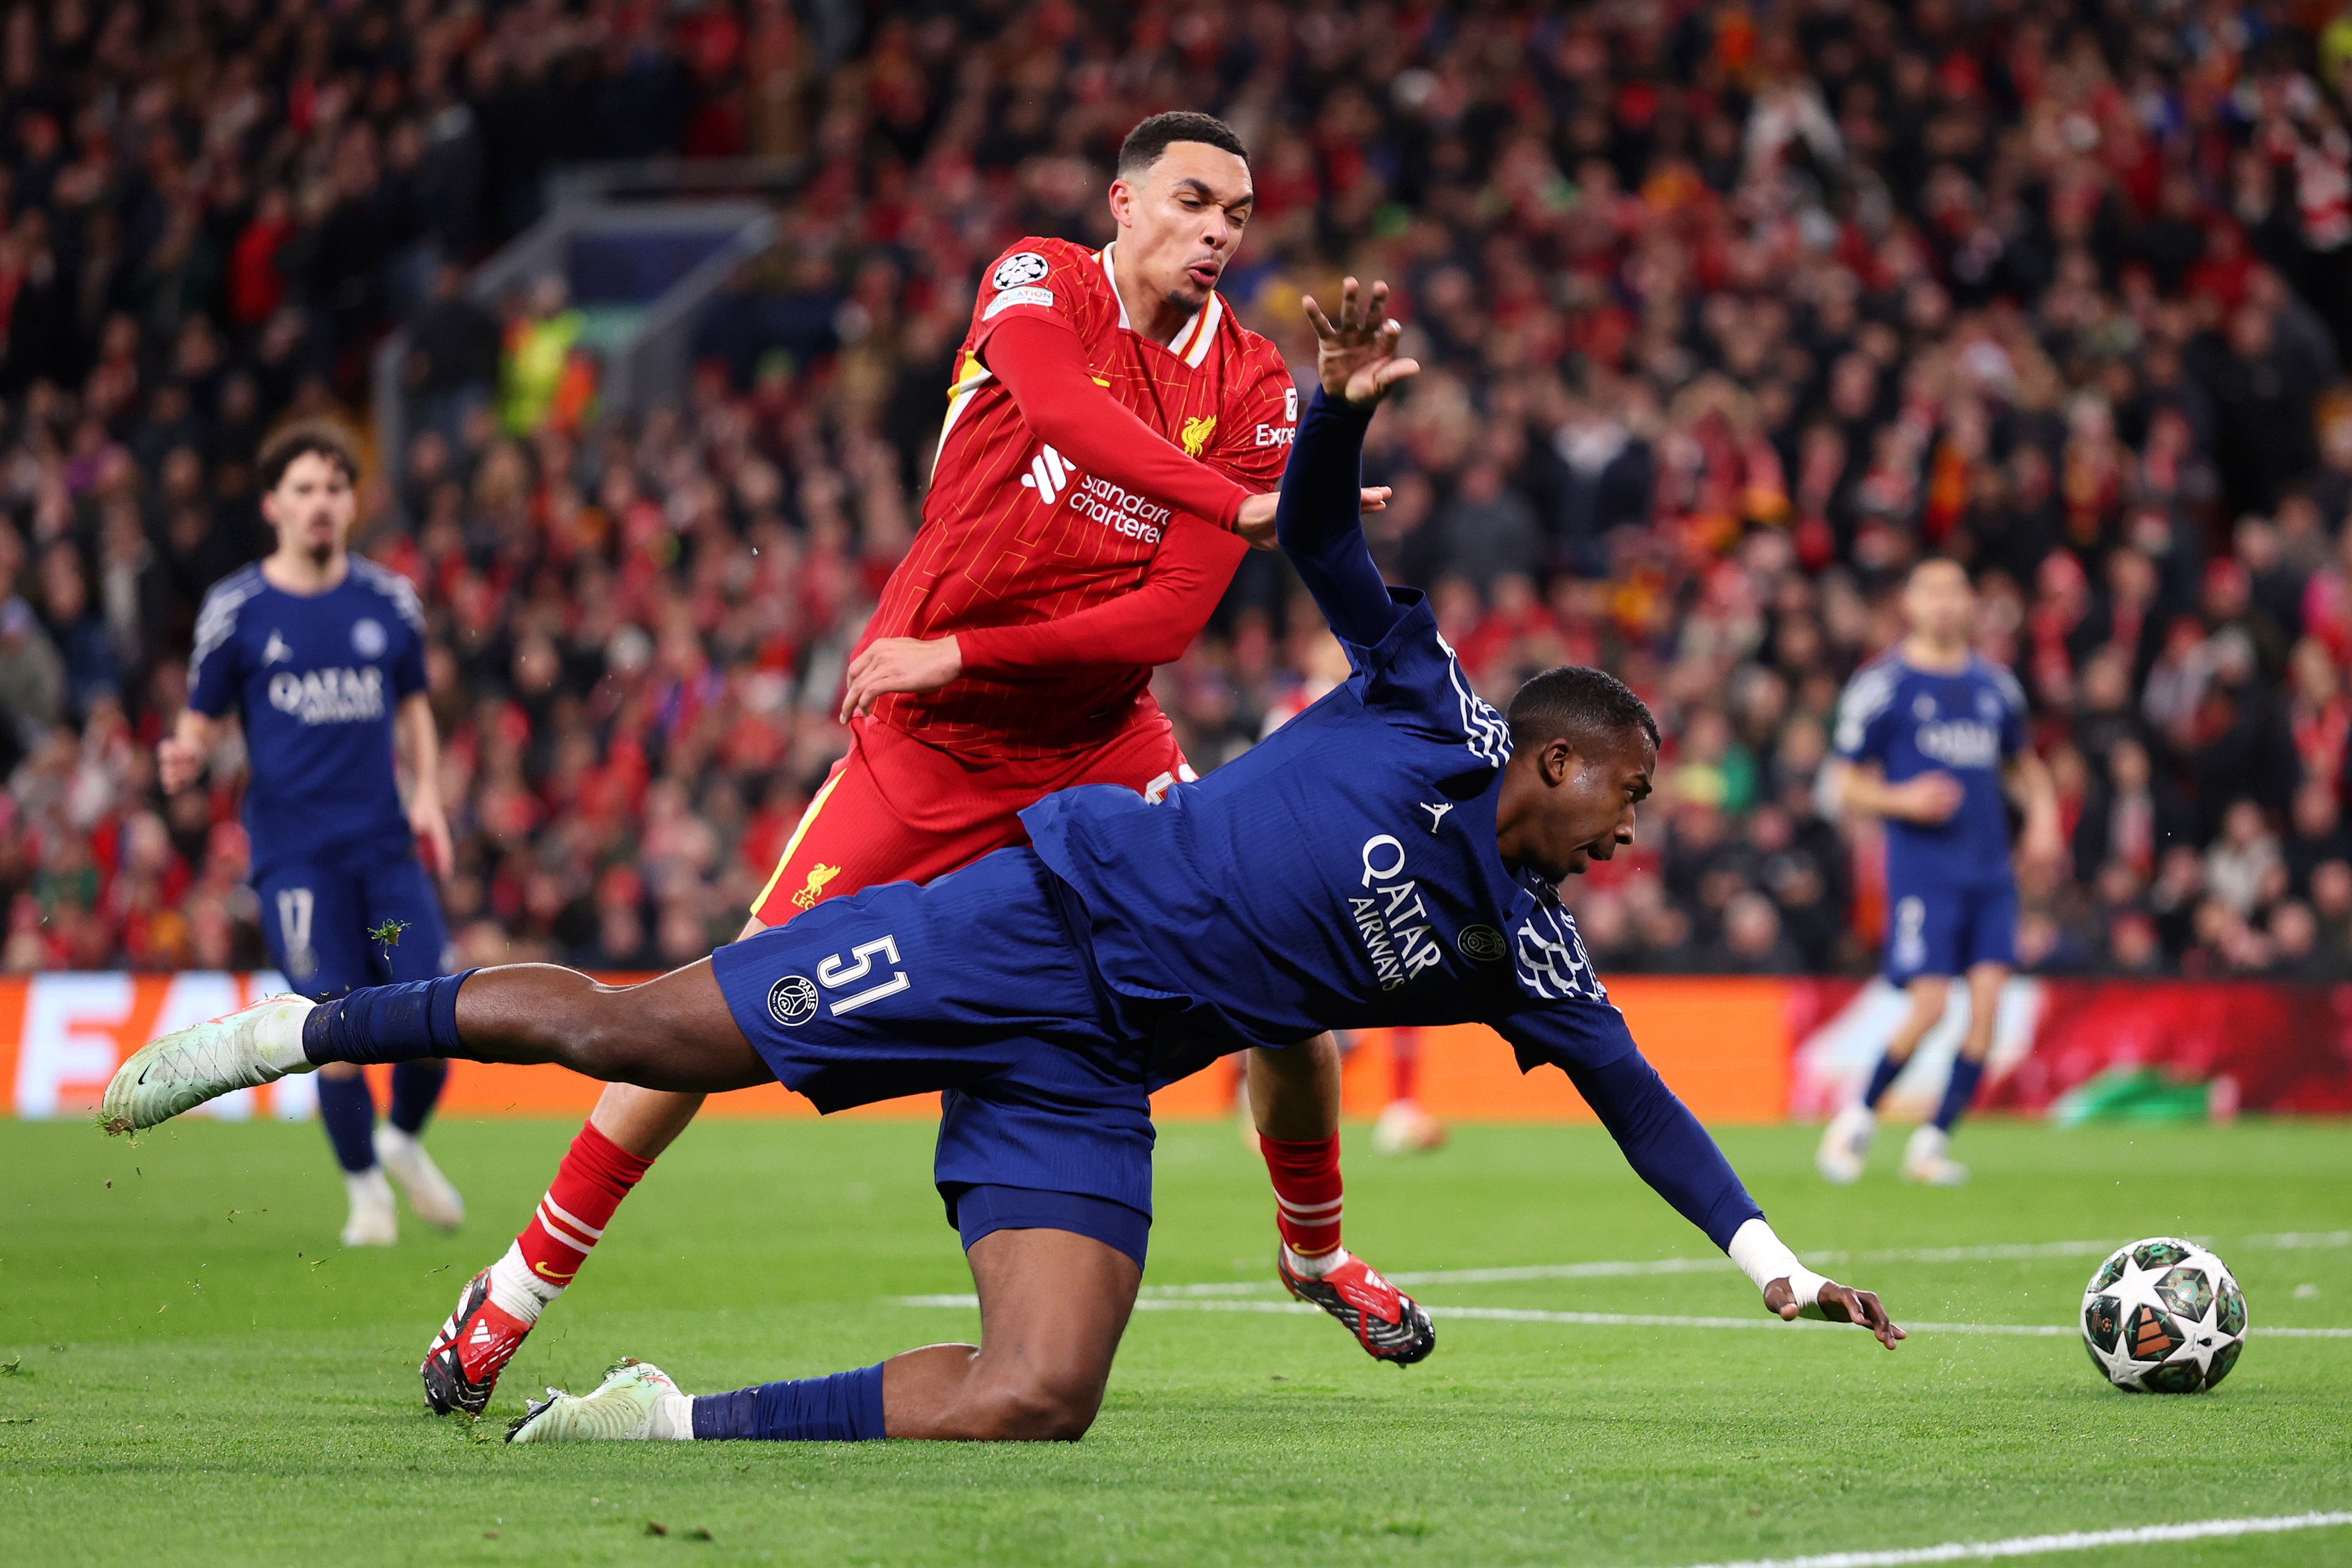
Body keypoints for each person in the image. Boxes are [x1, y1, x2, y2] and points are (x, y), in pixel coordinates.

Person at [106, 281, 1902, 1446]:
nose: (1634, 835)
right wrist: (1339, 414)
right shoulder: (1429, 704)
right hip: (1032, 921)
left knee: (1042, 1393)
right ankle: (293, 1035)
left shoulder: (1529, 955)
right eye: (1628, 799)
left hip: (1095, 1069)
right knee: (632, 1037)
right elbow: (1330, 560)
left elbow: (1648, 1110)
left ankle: (657, 1424)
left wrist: (1776, 1267)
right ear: (1558, 756)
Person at [418, 110, 1425, 1421]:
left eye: (1236, 214)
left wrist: (969, 652)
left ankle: (1313, 1248)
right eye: (1192, 201)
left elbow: (1169, 621)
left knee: (1286, 985)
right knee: (700, 1020)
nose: (1218, 232)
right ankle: (516, 1288)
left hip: (1098, 747)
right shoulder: (1035, 279)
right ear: (1123, 203)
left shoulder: (1249, 387)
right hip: (925, 752)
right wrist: (1217, 499)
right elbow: (1056, 400)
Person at [158, 427, 461, 1246]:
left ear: (351, 501)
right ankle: (366, 1191)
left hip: (385, 853)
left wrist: (428, 792)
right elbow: (200, 714)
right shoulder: (238, 610)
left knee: (435, 1011)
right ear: (273, 505)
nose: (321, 502)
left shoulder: (389, 601)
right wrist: (185, 749)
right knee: (329, 1022)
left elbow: (414, 707)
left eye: (334, 486)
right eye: (304, 487)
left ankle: (400, 1139)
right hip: (298, 862)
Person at [1815, 559, 2062, 1187]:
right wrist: (1903, 800)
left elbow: (2022, 763)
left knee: (1986, 1010)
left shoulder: (1995, 686)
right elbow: (1843, 784)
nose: (1944, 603)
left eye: (1955, 590)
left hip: (1989, 871)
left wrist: (2043, 818)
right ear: (1910, 603)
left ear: (1969, 602)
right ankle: (1858, 1115)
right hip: (1924, 872)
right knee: (1929, 1006)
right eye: (1931, 591)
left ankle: (1931, 1142)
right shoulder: (1883, 683)